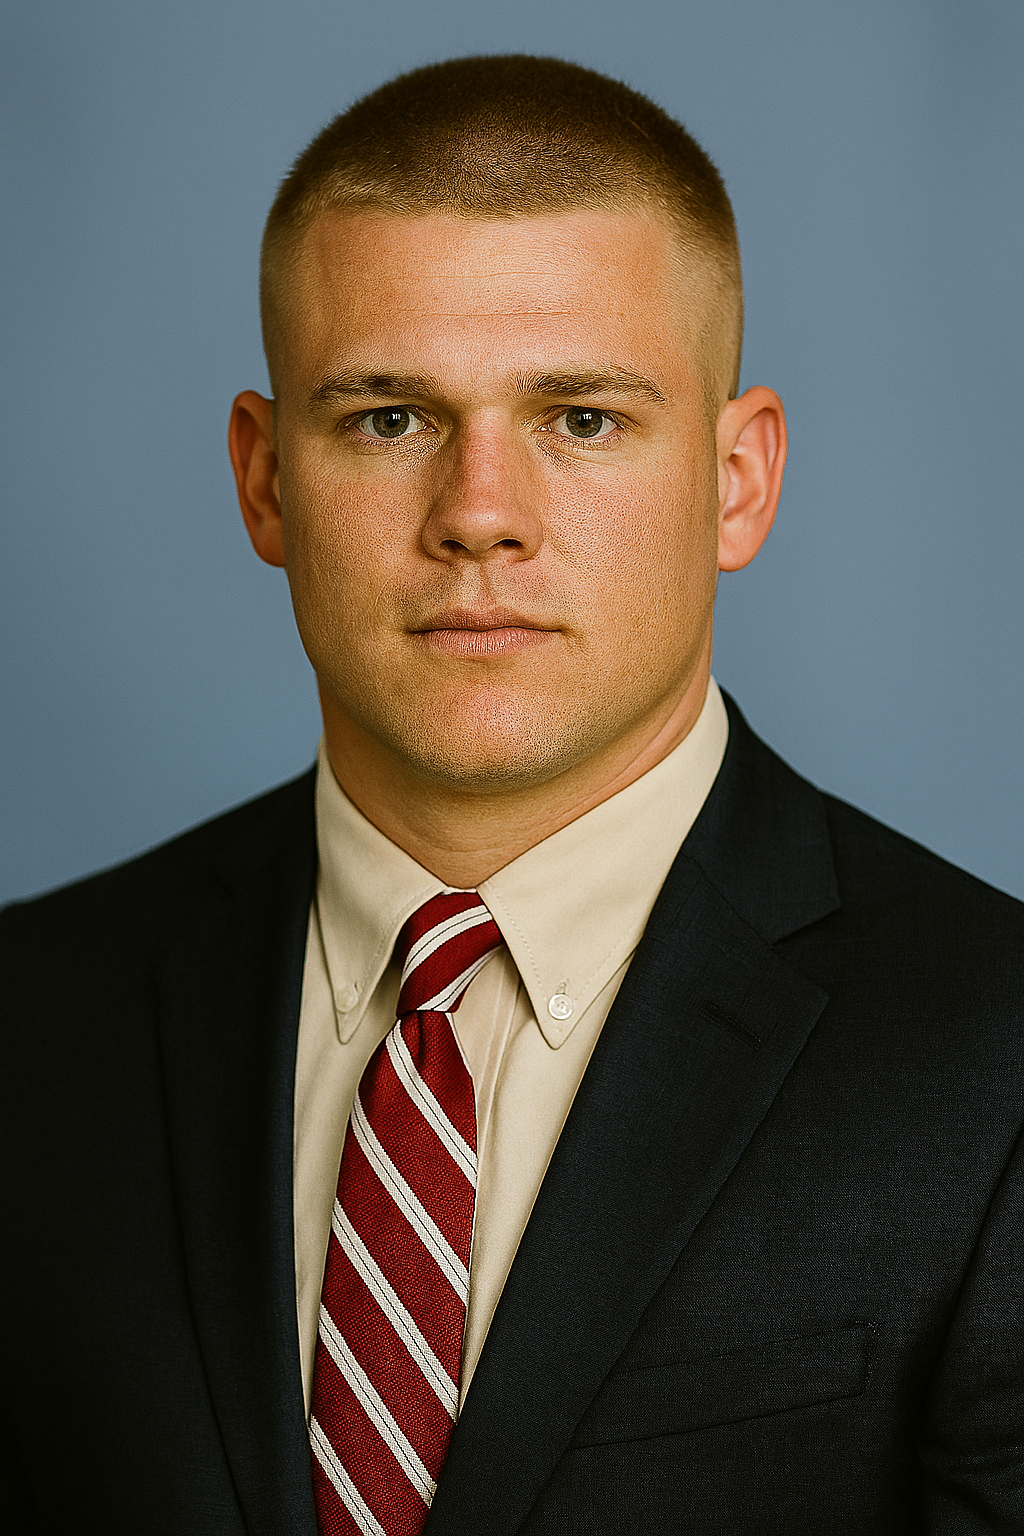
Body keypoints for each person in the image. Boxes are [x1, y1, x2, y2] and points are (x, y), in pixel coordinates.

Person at [2, 53, 1023, 1536]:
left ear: (738, 481)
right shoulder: (33, 1019)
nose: (479, 513)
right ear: (263, 478)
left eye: (582, 419)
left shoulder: (997, 1059)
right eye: (389, 419)